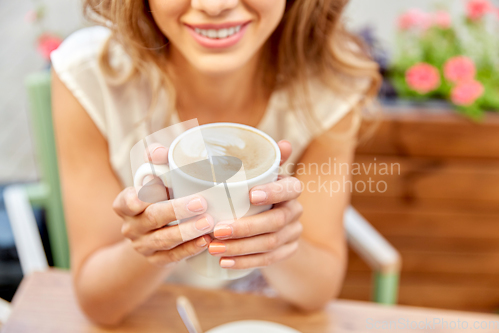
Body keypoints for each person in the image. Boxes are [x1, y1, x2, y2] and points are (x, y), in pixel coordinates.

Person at [51, 0, 380, 326]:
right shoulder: (91, 75)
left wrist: (278, 238)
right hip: (152, 314)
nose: (214, 5)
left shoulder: (327, 85)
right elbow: (98, 304)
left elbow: (316, 293)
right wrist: (152, 245)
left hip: (258, 314)